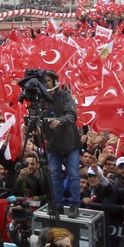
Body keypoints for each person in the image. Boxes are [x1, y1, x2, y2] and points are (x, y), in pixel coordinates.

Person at [42, 70, 82, 218]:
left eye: (48, 81)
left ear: (55, 82)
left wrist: (59, 121)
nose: (46, 84)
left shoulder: (65, 96)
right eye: (43, 81)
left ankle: (74, 205)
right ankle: (57, 205)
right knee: (54, 175)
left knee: (73, 175)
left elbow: (72, 115)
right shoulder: (42, 100)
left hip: (70, 143)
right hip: (53, 144)